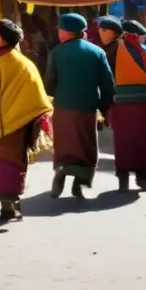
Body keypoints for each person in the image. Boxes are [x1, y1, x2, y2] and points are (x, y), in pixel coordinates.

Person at [0, 20, 52, 220]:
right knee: (17, 163)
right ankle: (14, 199)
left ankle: (5, 203)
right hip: (21, 124)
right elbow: (39, 96)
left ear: (5, 39)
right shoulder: (27, 64)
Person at [44, 13, 115, 199]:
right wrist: (103, 105)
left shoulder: (56, 53)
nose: (59, 33)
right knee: (86, 146)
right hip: (88, 107)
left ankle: (63, 171)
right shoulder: (97, 52)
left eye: (60, 30)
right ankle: (79, 183)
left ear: (66, 32)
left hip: (63, 107)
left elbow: (49, 84)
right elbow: (108, 83)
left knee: (65, 144)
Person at [104, 19, 146, 191]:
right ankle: (143, 178)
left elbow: (105, 78)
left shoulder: (111, 52)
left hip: (120, 105)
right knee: (143, 140)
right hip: (144, 104)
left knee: (124, 141)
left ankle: (123, 180)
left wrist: (107, 102)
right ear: (139, 36)